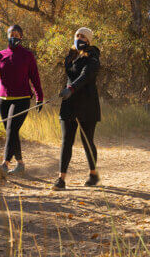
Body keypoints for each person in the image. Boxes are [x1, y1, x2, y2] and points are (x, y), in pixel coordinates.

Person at [0, 25, 44, 177]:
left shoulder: (27, 55)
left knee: (11, 130)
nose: (14, 37)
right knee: (11, 132)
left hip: (22, 99)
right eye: (11, 34)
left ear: (21, 37)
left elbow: (35, 78)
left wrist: (40, 97)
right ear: (7, 36)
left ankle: (5, 164)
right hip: (3, 99)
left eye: (17, 34)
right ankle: (20, 164)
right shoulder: (1, 55)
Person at [52, 27, 101, 191]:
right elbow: (70, 76)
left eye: (83, 37)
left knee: (87, 140)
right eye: (77, 35)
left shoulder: (93, 56)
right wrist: (66, 90)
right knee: (66, 141)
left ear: (88, 40)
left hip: (87, 104)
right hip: (69, 103)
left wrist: (71, 88)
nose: (79, 38)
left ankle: (93, 174)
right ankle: (61, 179)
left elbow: (86, 76)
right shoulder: (70, 56)